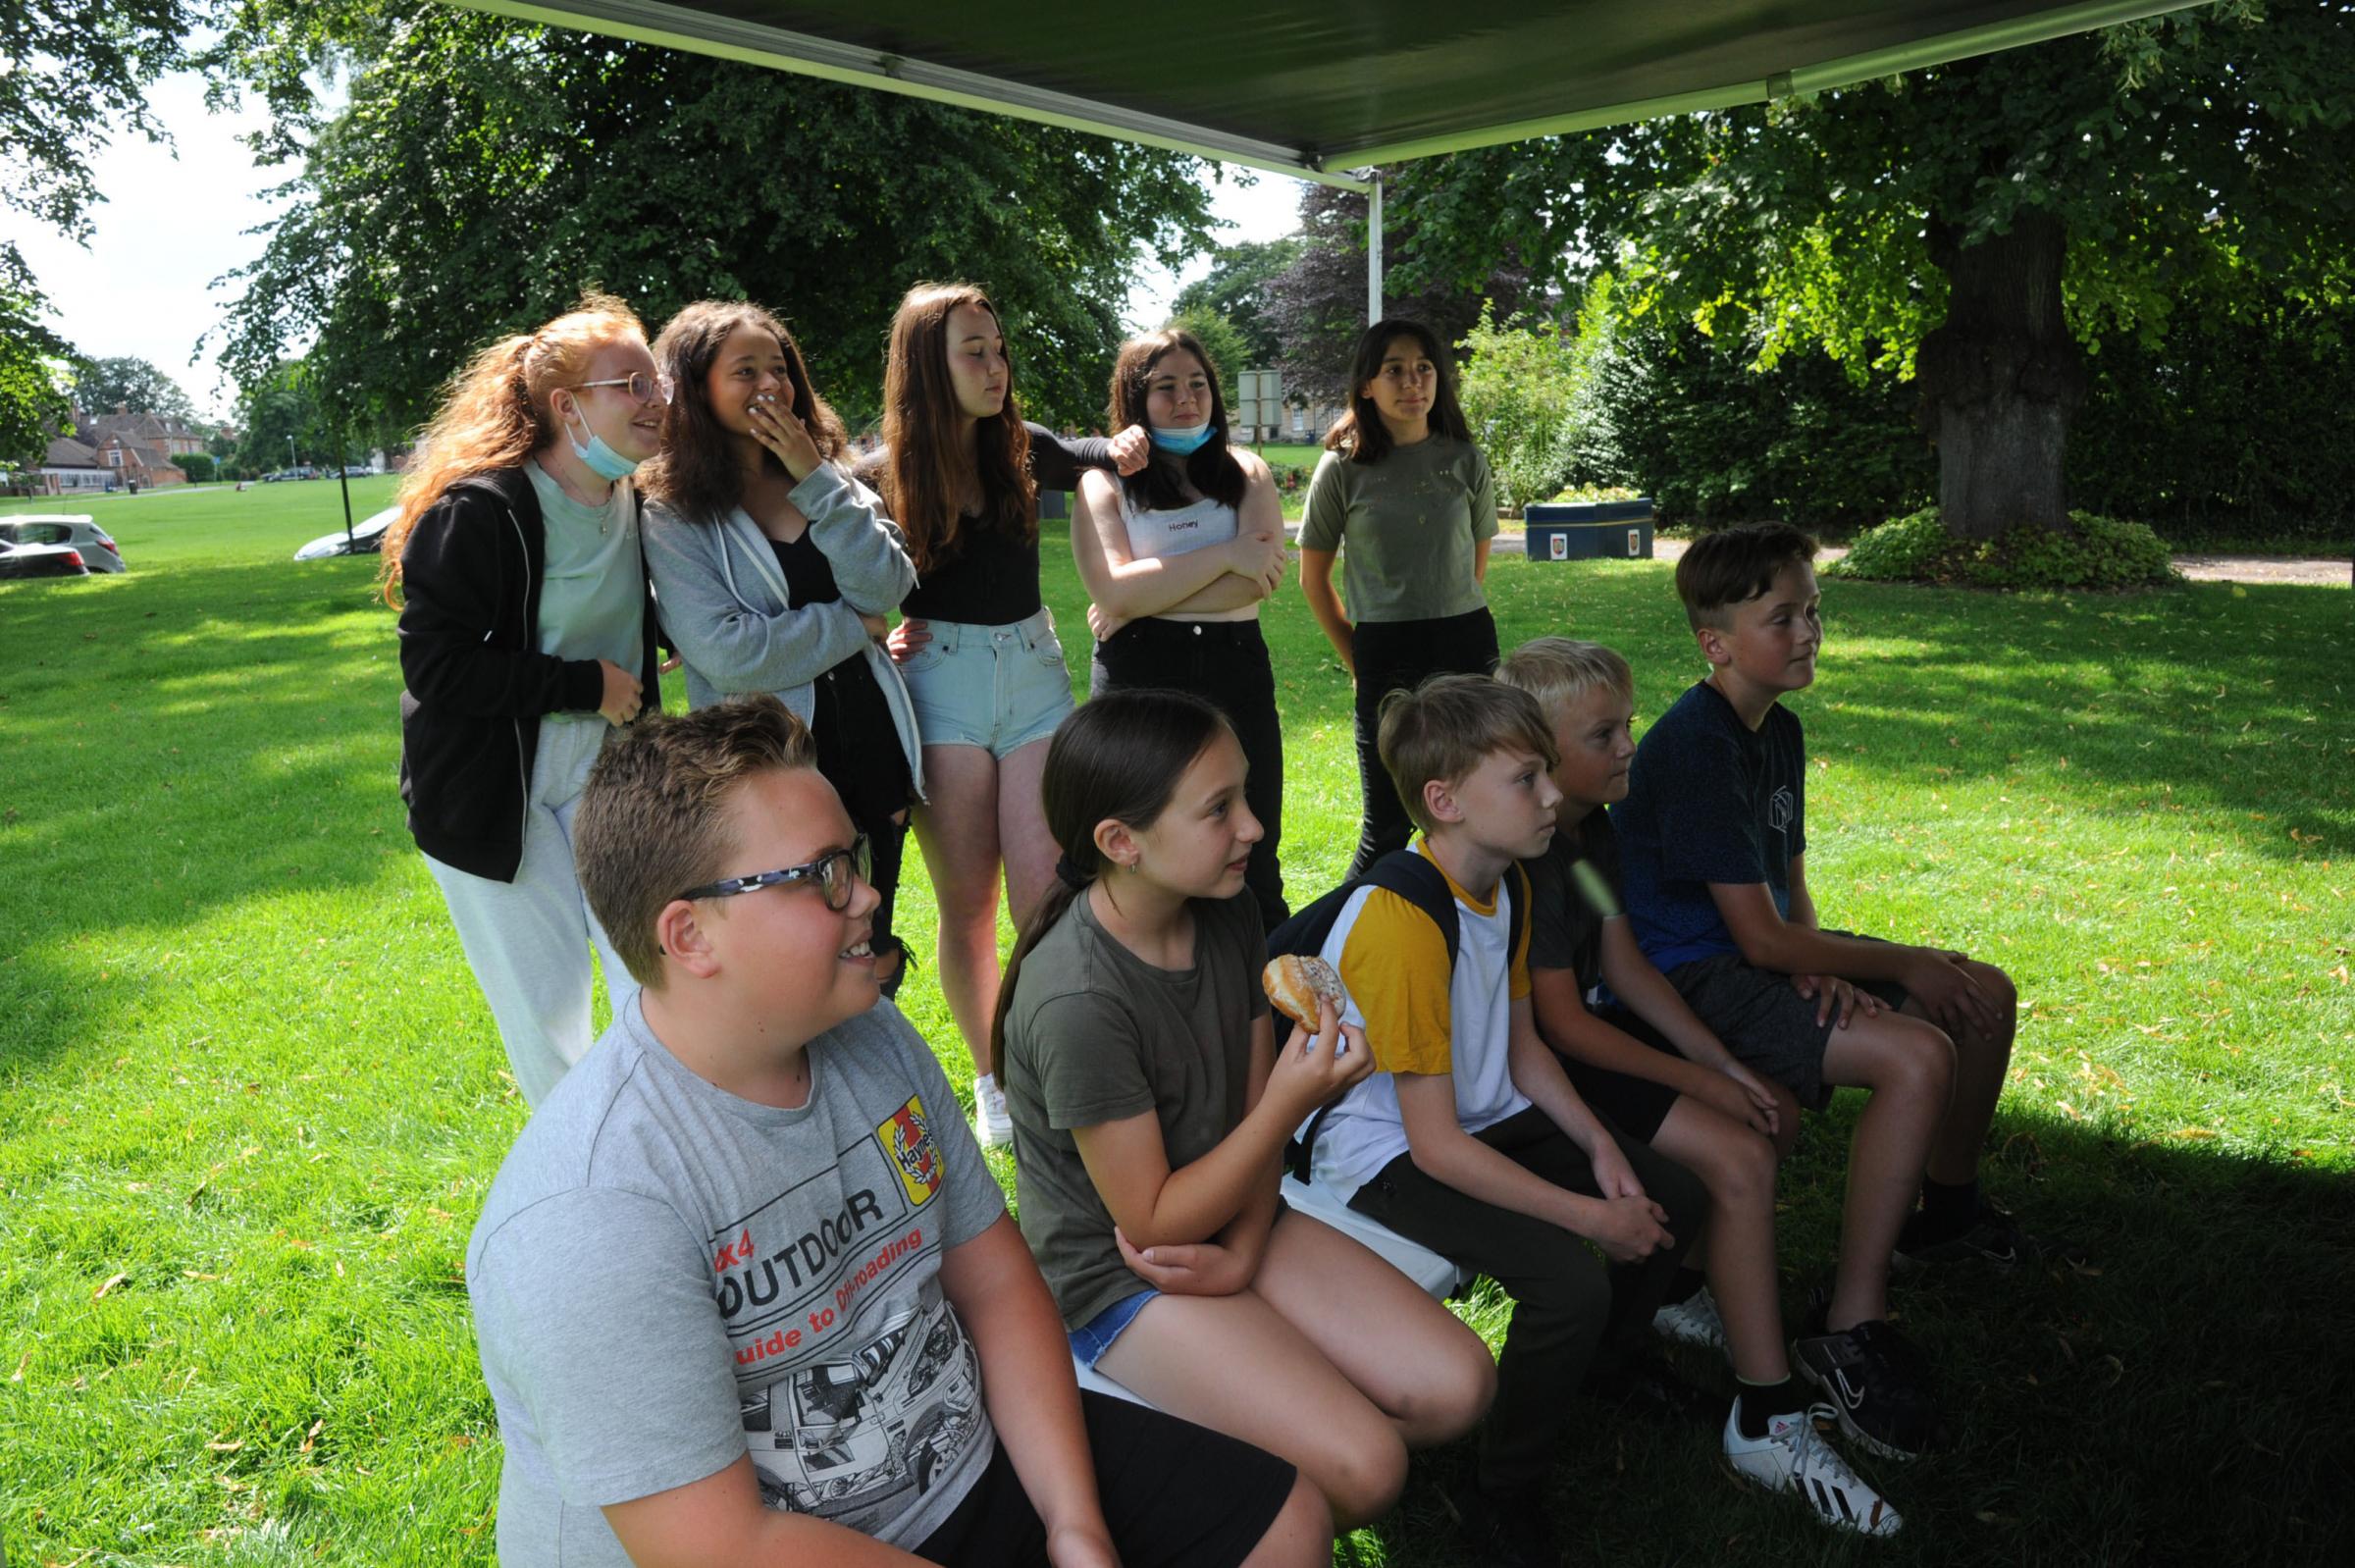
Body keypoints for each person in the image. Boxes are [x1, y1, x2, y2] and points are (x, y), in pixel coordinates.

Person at [464, 695, 1333, 1568]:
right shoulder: (589, 1216)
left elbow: (995, 1287)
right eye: (823, 874)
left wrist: (1076, 1526)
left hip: (963, 1463)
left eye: (855, 859)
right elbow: (725, 1546)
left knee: (1289, 1524)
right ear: (690, 936)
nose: (871, 892)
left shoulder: (870, 1035)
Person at [994, 692, 1495, 1529]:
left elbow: (1251, 1119)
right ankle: (1237, 1517)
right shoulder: (1077, 1000)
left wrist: (1248, 1248)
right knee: (1369, 1468)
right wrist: (1294, 1104)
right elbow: (1153, 1221)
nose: (1254, 827)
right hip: (1125, 1275)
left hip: (1235, 1215)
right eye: (1218, 809)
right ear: (1121, 842)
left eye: (1246, 797)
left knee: (1459, 1388)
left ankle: (1261, 1447)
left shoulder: (1226, 911)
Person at [1613, 521, 2036, 1463]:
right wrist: (1880, 960)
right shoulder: (1696, 746)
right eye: (1783, 617)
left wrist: (1827, 956)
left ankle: (1950, 1214)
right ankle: (1851, 1325)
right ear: (1715, 641)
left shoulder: (1780, 732)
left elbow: (1785, 894)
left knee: (1985, 994)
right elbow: (1752, 936)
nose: (1808, 632)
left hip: (1755, 952)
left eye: (1814, 611)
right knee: (1919, 1050)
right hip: (1695, 977)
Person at [1294, 673, 1708, 1568]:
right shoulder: (1404, 921)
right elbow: (1435, 1145)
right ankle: (1502, 1491)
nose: (1554, 795)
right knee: (1571, 1283)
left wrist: (1603, 1149)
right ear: (1443, 802)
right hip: (1387, 1153)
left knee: (1675, 1191)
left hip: (1475, 1117)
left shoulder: (1507, 880)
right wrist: (1593, 1219)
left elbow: (1523, 1051)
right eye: (1527, 779)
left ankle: (1605, 1362)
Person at [1498, 637, 1899, 1535]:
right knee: (1742, 1153)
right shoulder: (1529, 858)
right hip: (1530, 1075)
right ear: (1537, 751)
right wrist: (1698, 1077)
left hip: (1590, 1042)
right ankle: (1766, 1416)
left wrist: (1721, 1065)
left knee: (1769, 1109)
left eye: (1628, 725)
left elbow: (1627, 964)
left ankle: (1675, 1297)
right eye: (1604, 734)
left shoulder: (1589, 828)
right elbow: (1563, 1027)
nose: (1630, 746)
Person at [870, 282, 1144, 1147]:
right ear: (927, 363)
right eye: (974, 351)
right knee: (968, 905)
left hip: (1032, 676)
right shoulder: (878, 473)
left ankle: (1049, 1062)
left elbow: (1106, 452)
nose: (996, 367)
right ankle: (992, 1077)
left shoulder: (1023, 449)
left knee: (1047, 897)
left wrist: (1132, 440)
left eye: (998, 348)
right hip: (940, 684)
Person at [386, 291, 667, 1107]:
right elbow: (435, 669)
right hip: (489, 787)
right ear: (566, 406)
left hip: (610, 769)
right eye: (632, 385)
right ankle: (592, 1194)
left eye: (657, 384)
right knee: (551, 1018)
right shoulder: (480, 511)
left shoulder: (636, 500)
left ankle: (673, 1144)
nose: (655, 401)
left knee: (651, 972)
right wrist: (586, 684)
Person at [640, 299, 923, 997]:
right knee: (797, 959)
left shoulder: (838, 481)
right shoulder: (673, 514)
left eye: (780, 368)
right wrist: (850, 626)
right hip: (770, 770)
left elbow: (889, 582)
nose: (771, 384)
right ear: (696, 388)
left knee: (869, 943)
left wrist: (818, 482)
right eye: (745, 371)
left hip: (874, 748)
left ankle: (872, 1090)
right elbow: (730, 653)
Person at [1072, 330, 1291, 929]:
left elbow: (1258, 582)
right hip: (1139, 673)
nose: (1187, 399)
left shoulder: (1248, 471)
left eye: (1197, 384)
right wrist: (1225, 555)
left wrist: (1145, 595)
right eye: (1165, 387)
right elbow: (1112, 590)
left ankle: (1264, 1006)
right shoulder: (1102, 482)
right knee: (1134, 850)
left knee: (1249, 847)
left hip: (1234, 667)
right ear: (1134, 400)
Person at [1297, 319, 1502, 878]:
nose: (1413, 383)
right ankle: (1344, 947)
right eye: (1395, 371)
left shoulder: (1465, 459)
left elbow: (1473, 564)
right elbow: (1313, 579)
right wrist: (1355, 657)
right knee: (1387, 826)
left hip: (1466, 640)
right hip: (1386, 652)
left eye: (1424, 369)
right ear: (1367, 385)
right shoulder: (1342, 467)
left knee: (1481, 805)